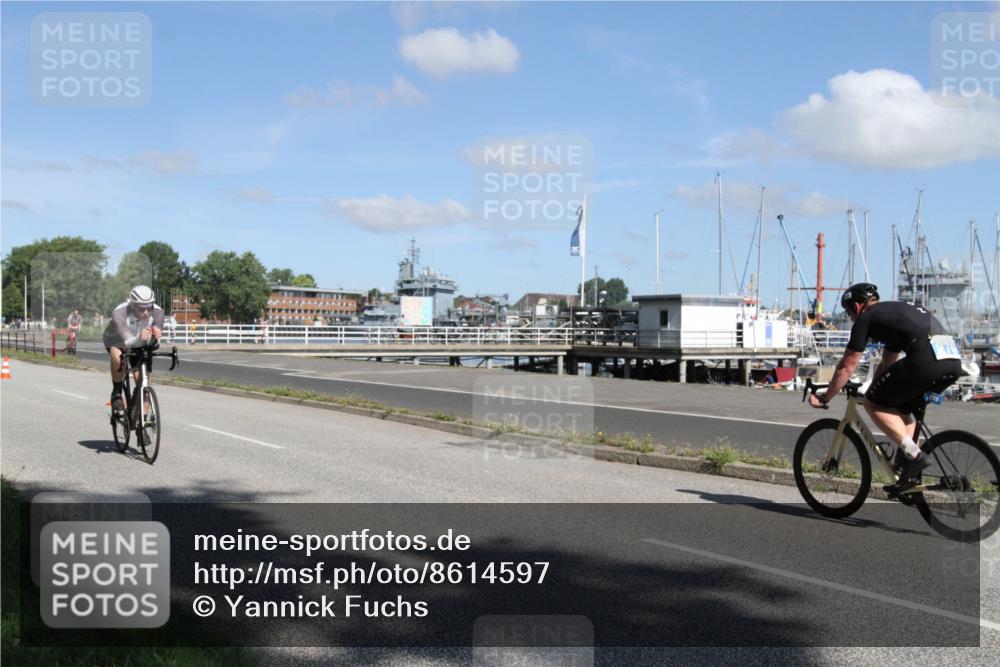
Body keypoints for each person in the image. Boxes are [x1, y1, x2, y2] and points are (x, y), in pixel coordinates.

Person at [808, 283, 963, 489]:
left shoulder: (866, 318)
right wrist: (873, 386)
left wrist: (825, 397)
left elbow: (847, 365)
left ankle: (915, 455)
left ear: (856, 306)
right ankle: (908, 474)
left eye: (849, 313)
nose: (851, 318)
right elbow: (888, 363)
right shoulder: (893, 313)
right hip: (952, 361)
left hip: (926, 360)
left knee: (873, 404)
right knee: (901, 407)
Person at [103, 285, 164, 414]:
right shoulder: (119, 312)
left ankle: (143, 422)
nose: (146, 312)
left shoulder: (158, 312)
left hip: (141, 342)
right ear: (132, 305)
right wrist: (140, 337)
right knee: (120, 360)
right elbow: (128, 341)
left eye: (149, 308)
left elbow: (154, 342)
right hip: (117, 339)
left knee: (143, 382)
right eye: (141, 309)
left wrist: (155, 337)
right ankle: (117, 392)